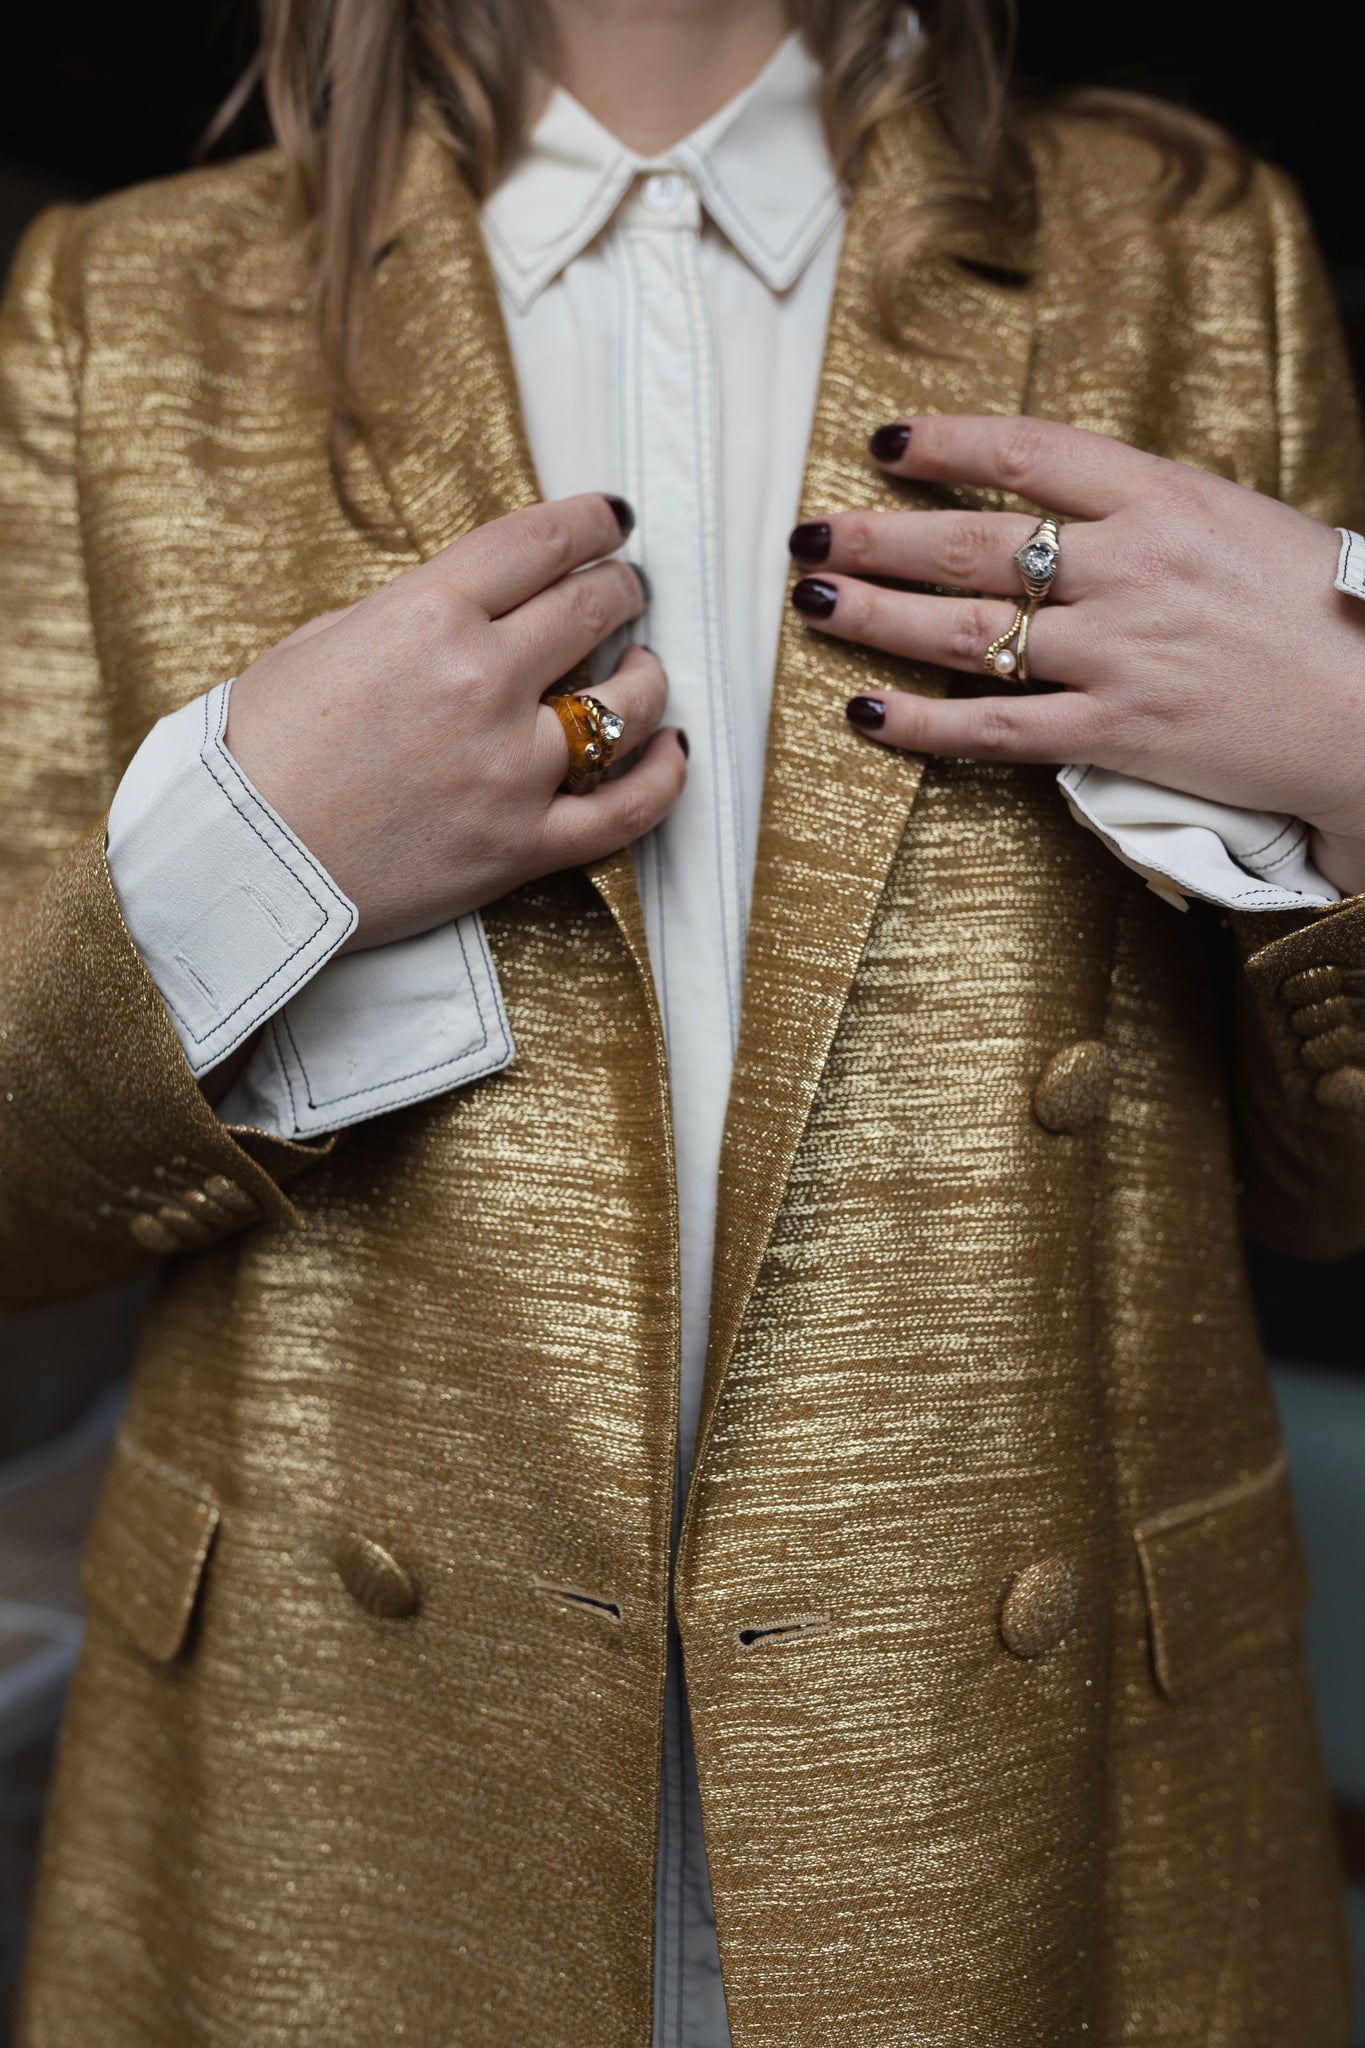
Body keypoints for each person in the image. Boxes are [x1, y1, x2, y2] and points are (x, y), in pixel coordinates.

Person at [2, 0, 1363, 2041]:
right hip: (345, 1785)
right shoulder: (125, 302)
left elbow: (1319, 1187)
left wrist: (1357, 740)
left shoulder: (1185, 245)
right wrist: (251, 852)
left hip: (1022, 1793)